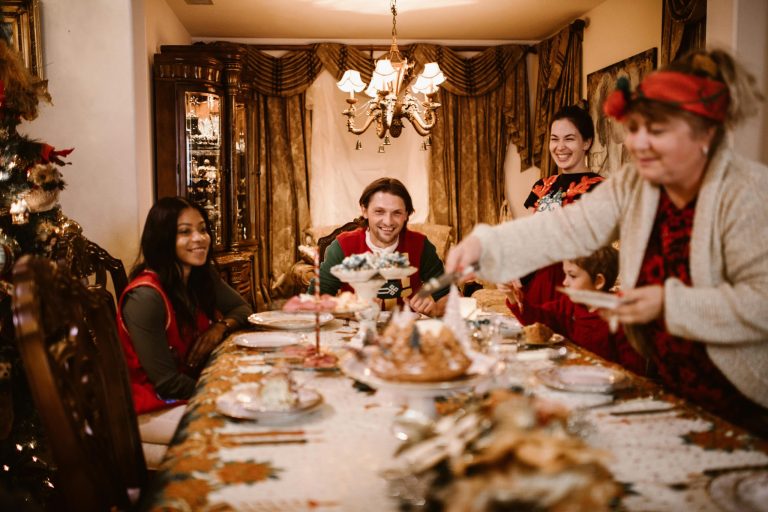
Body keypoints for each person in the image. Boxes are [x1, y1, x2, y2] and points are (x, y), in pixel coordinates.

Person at [446, 49, 768, 436]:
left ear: (704, 133)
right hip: (668, 378)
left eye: (657, 131)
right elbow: (566, 228)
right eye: (634, 128)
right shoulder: (636, 185)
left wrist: (668, 304)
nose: (637, 143)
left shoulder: (749, 194)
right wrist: (486, 245)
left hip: (743, 396)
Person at [117, 197, 252, 457]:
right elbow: (167, 383)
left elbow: (243, 310)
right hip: (151, 407)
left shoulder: (199, 277)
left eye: (202, 229)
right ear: (163, 238)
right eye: (185, 232)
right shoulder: (146, 297)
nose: (199, 238)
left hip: (186, 390)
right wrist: (225, 392)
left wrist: (219, 328)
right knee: (245, 426)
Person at [313, 177, 449, 316]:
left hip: (407, 326)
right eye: (379, 211)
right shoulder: (343, 246)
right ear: (365, 211)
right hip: (355, 327)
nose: (388, 221)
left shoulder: (420, 245)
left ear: (406, 214)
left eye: (397, 213)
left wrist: (435, 308)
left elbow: (449, 296)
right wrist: (346, 308)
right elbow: (315, 298)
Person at [514, 104, 605, 308]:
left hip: (572, 290)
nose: (560, 147)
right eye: (554, 139)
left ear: (587, 142)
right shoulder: (542, 186)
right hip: (535, 287)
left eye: (569, 139)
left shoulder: (600, 189)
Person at [507, 246, 645, 374]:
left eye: (572, 276)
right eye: (565, 275)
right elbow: (538, 318)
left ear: (598, 281)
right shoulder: (568, 304)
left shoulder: (621, 318)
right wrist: (513, 297)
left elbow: (633, 372)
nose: (564, 282)